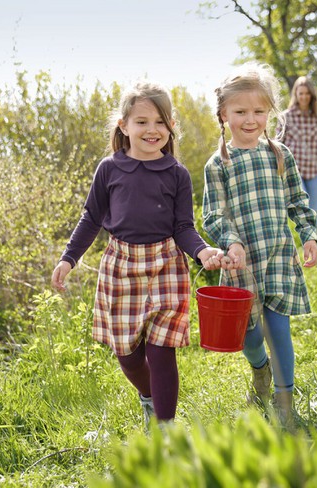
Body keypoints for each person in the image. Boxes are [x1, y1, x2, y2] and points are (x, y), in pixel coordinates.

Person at [51, 81, 224, 426]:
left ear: (172, 127)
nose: (151, 129)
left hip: (166, 265)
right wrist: (69, 258)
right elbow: (91, 218)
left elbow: (183, 227)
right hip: (120, 265)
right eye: (142, 121)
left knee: (162, 352)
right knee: (128, 355)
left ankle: (166, 428)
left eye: (160, 121)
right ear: (124, 125)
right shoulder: (109, 169)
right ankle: (148, 397)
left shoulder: (177, 174)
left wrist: (202, 251)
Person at [202, 63, 317, 428]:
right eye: (240, 112)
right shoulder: (218, 164)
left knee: (277, 329)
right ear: (224, 115)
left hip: (278, 256)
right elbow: (214, 215)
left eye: (258, 111)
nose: (250, 119)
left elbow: (298, 200)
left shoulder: (280, 154)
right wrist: (231, 242)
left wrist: (309, 234)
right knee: (250, 336)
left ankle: (285, 400)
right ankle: (260, 369)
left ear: (270, 112)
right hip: (242, 264)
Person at [277, 76, 317, 261]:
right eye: (301, 93)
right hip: (294, 170)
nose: (304, 96)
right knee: (303, 207)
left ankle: (314, 249)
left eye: (307, 93)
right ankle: (294, 247)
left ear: (311, 95)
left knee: (314, 210)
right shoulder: (286, 116)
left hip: (313, 169)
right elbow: (278, 144)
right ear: (296, 94)